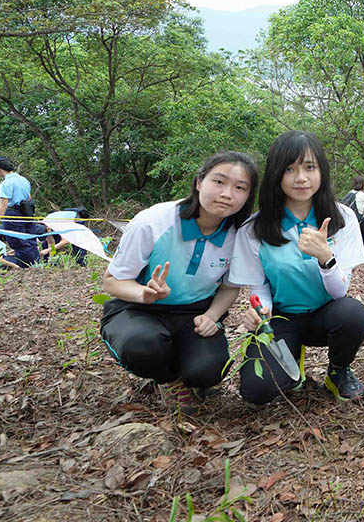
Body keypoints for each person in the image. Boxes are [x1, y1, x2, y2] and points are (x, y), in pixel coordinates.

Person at [100, 152, 259, 414]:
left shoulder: (239, 234)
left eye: (240, 188)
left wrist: (211, 316)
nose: (227, 194)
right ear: (199, 182)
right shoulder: (153, 221)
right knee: (142, 346)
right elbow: (112, 282)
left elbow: (230, 287)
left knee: (209, 371)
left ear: (248, 195)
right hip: (138, 309)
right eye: (219, 182)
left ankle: (188, 367)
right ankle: (167, 379)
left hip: (193, 313)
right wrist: (144, 293)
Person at [230, 131, 364, 404]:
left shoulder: (343, 218)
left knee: (353, 313)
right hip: (282, 318)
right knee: (257, 392)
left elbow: (340, 292)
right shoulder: (255, 228)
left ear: (321, 170)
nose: (301, 178)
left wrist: (325, 259)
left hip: (327, 313)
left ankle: (338, 371)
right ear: (276, 175)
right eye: (289, 169)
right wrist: (262, 312)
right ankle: (292, 357)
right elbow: (259, 285)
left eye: (309, 167)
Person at [0, 156, 38, 268]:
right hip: (27, 213)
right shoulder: (23, 180)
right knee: (31, 241)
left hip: (13, 214)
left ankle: (28, 268)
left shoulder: (6, 184)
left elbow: (3, 205)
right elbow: (29, 198)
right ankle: (36, 266)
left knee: (19, 242)